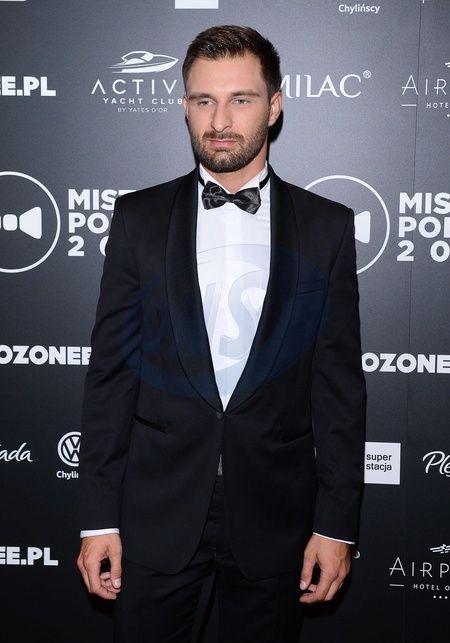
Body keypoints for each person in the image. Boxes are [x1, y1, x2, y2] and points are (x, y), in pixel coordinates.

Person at [77, 24, 366, 643]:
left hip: (276, 519)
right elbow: (110, 380)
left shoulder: (328, 229)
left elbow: (339, 391)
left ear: (275, 106)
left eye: (241, 99)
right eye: (204, 100)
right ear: (185, 106)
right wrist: (98, 519)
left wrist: (336, 525)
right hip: (155, 517)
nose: (220, 121)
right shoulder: (137, 219)